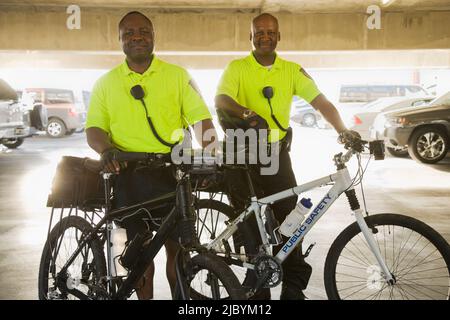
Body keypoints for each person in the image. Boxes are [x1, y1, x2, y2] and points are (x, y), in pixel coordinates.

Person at [215, 13, 357, 300]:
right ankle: (258, 288)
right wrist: (248, 113)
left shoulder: (291, 70)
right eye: (259, 32)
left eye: (270, 32)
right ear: (250, 37)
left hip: (276, 155)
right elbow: (221, 99)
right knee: (251, 226)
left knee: (291, 220)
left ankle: (293, 289)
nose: (265, 36)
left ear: (278, 37)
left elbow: (321, 102)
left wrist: (343, 130)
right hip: (244, 156)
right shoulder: (237, 68)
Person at [86, 11, 217, 300]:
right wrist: (106, 149)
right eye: (129, 33)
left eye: (144, 31)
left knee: (178, 254)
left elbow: (201, 121)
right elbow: (94, 129)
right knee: (141, 260)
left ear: (154, 36)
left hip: (173, 174)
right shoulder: (106, 83)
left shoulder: (178, 75)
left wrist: (210, 156)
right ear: (119, 39)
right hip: (130, 177)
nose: (137, 37)